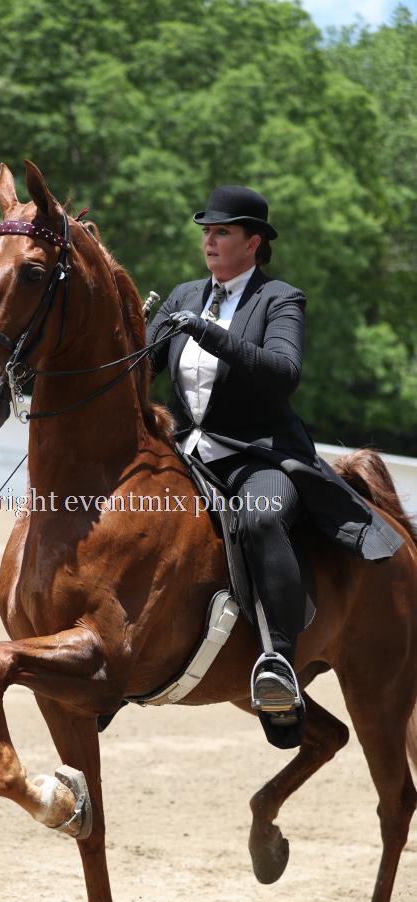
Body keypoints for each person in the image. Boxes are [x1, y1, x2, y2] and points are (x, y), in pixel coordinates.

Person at [146, 185, 403, 746]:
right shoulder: (184, 295)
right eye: (207, 232)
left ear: (253, 242)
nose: (209, 241)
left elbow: (284, 372)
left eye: (222, 232)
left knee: (261, 517)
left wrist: (207, 332)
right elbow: (139, 367)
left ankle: (278, 662)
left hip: (257, 453)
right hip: (187, 449)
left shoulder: (280, 298)